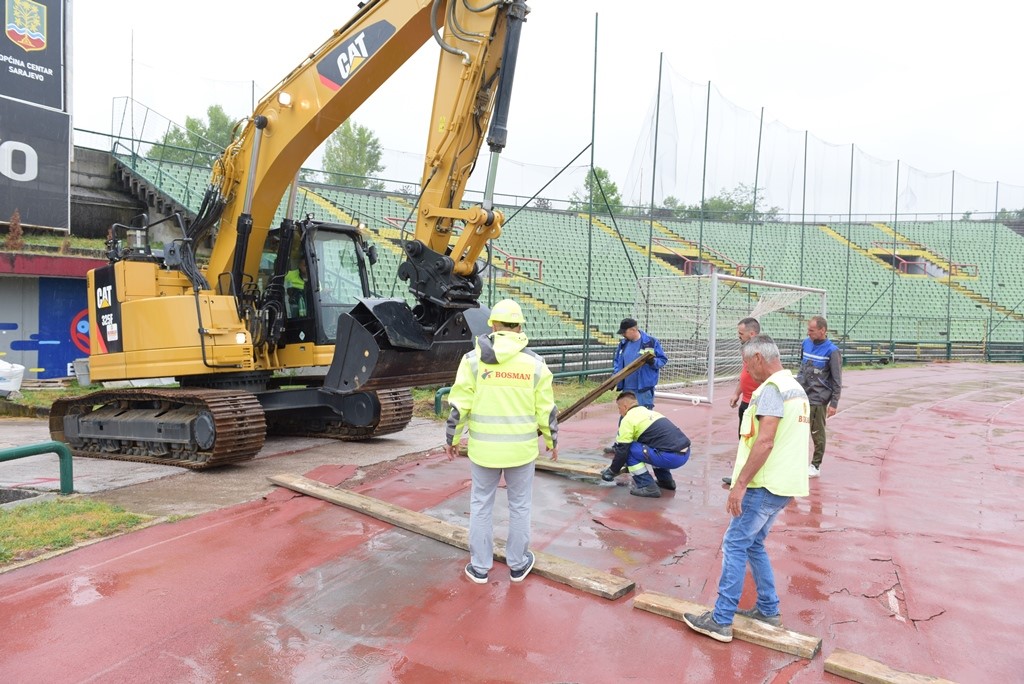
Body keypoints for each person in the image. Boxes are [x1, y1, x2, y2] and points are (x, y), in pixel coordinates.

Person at [683, 334, 810, 643]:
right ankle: (768, 609)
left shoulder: (772, 390)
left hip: (764, 484)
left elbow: (764, 442)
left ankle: (721, 619)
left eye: (746, 363)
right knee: (753, 544)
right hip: (785, 483)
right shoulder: (795, 388)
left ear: (758, 358)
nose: (746, 370)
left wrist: (739, 485)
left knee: (735, 543)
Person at [444, 299, 558, 585]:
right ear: (519, 327)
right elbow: (546, 409)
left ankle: (479, 567)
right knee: (520, 506)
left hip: (484, 451)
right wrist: (551, 440)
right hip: (521, 451)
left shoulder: (472, 360)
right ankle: (518, 565)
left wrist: (452, 439)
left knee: (481, 505)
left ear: (493, 325)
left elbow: (459, 406)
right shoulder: (535, 364)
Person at [600, 391, 691, 498]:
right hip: (684, 453)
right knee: (654, 447)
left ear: (625, 406)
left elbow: (622, 450)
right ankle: (666, 482)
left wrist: (612, 471)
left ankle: (648, 486)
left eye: (619, 408)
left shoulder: (628, 419)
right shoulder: (650, 413)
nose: (619, 412)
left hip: (670, 458)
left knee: (629, 450)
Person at [795, 315, 842, 478]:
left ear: (823, 330)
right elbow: (802, 367)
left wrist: (834, 403)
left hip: (818, 399)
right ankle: (797, 461)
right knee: (797, 429)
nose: (808, 333)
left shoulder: (832, 351)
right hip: (801, 396)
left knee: (817, 432)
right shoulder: (805, 343)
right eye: (808, 330)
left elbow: (837, 379)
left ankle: (815, 465)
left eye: (812, 330)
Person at [612, 318, 668, 410]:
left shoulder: (651, 342)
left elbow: (662, 360)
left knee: (644, 415)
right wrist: (615, 377)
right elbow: (617, 362)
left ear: (633, 329)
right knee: (626, 415)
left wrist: (653, 361)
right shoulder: (623, 344)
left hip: (643, 389)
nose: (623, 335)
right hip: (627, 388)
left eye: (624, 332)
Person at [729, 317, 762, 435]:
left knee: (754, 438)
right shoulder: (746, 349)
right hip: (745, 401)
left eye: (741, 333)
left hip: (757, 404)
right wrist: (736, 393)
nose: (739, 336)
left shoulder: (763, 352)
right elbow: (745, 373)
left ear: (752, 334)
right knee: (743, 437)